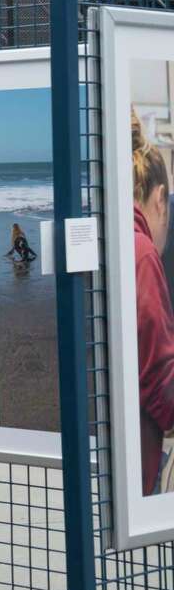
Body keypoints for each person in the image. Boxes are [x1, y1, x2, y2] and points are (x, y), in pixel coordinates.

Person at [131, 110, 174, 496]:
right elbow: (160, 380)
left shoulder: (113, 240)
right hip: (137, 463)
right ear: (160, 198)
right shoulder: (142, 253)